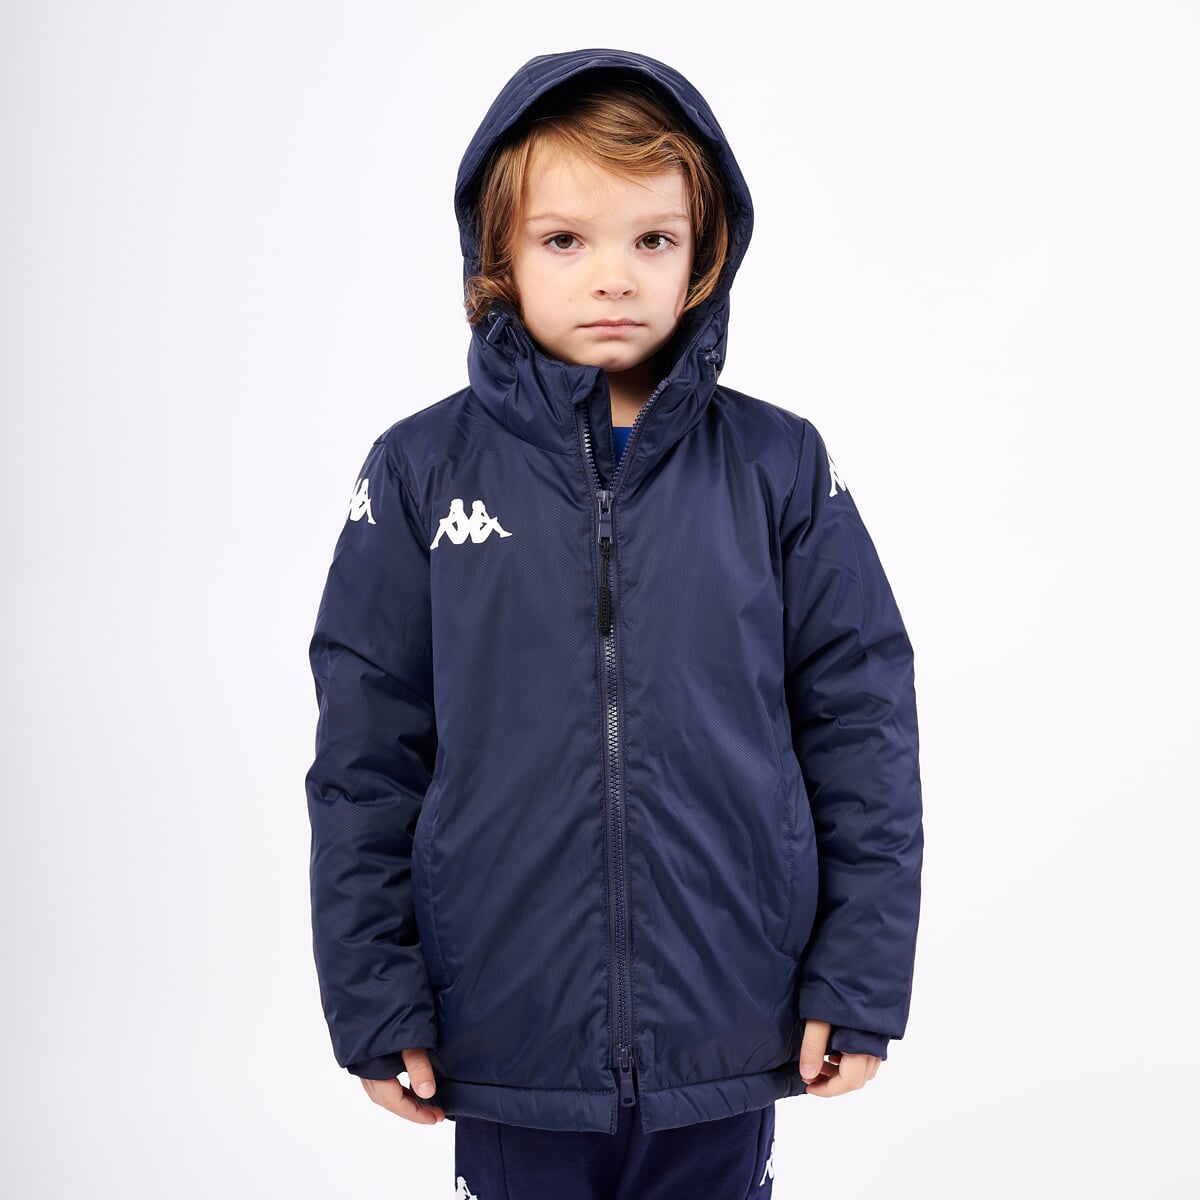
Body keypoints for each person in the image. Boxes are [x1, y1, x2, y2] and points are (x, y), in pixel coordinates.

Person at [305, 47, 923, 1198]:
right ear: (498, 254)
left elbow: (863, 729)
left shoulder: (777, 466)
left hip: (727, 1029)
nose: (613, 278)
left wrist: (858, 979)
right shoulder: (422, 472)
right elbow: (364, 760)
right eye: (565, 240)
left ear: (703, 253)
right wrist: (377, 1000)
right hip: (507, 1036)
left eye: (652, 239)